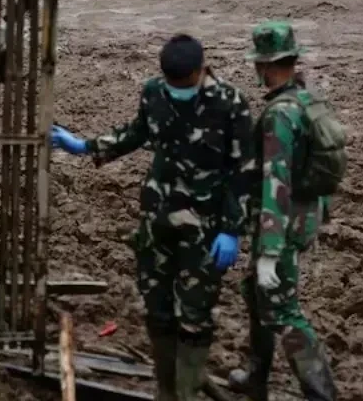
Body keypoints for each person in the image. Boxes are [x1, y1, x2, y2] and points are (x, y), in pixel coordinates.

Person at [50, 35, 254, 400]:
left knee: (194, 316)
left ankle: (187, 393)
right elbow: (136, 133)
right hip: (157, 221)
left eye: (183, 84)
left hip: (204, 230)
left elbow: (243, 171)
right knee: (156, 310)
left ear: (200, 70)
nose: (177, 90)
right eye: (171, 83)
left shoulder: (230, 104)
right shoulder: (154, 93)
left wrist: (232, 229)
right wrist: (85, 146)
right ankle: (166, 391)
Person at [228, 21, 344, 401]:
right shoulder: (308, 100)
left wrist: (270, 251)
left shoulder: (279, 115)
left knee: (282, 309)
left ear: (264, 66)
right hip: (304, 213)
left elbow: (274, 183)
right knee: (254, 291)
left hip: (283, 221)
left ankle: (321, 394)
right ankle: (257, 375)